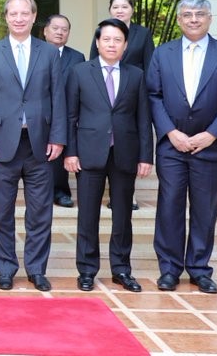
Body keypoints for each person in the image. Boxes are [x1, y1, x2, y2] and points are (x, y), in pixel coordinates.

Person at [147, 0, 217, 294]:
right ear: (178, 20)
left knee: (204, 209)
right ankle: (169, 269)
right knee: (170, 206)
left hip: (210, 147)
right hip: (172, 146)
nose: (193, 19)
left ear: (209, 19)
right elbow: (153, 95)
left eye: (199, 14)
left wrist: (212, 134)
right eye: (187, 15)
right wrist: (169, 132)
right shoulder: (162, 54)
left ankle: (200, 269)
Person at [0, 0, 66, 292]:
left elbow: (58, 97)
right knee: (0, 212)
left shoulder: (49, 53)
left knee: (40, 211)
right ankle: (5, 268)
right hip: (2, 143)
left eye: (24, 14)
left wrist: (58, 136)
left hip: (40, 143)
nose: (18, 19)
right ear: (6, 17)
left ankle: (37, 268)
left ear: (33, 17)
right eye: (13, 14)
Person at [64, 18, 152, 293]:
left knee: (123, 216)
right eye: (107, 39)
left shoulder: (136, 75)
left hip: (125, 152)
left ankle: (122, 270)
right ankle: (87, 270)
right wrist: (71, 152)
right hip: (89, 153)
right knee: (87, 215)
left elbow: (143, 118)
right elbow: (70, 116)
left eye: (118, 40)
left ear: (125, 45)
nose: (112, 44)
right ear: (98, 42)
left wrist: (146, 156)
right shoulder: (80, 72)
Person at [89, 0, 153, 211]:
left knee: (126, 145)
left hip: (131, 95)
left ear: (132, 9)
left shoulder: (142, 34)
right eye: (115, 6)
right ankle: (109, 192)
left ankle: (129, 194)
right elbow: (92, 63)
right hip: (104, 94)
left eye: (124, 6)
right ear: (110, 9)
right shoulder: (103, 31)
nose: (120, 10)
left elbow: (149, 64)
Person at [43, 14, 85, 208]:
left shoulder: (77, 57)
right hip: (40, 113)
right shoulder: (36, 52)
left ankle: (61, 192)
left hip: (67, 113)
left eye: (64, 29)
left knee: (60, 156)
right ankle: (42, 192)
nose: (60, 32)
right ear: (45, 31)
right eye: (55, 28)